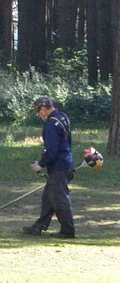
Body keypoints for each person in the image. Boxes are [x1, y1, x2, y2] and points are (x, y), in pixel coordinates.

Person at [23, 94, 75, 239]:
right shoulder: (62, 117)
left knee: (59, 200)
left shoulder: (51, 124)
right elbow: (67, 142)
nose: (38, 113)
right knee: (48, 198)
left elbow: (51, 150)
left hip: (59, 166)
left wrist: (40, 164)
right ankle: (38, 227)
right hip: (66, 162)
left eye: (38, 110)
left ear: (44, 109)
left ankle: (68, 231)